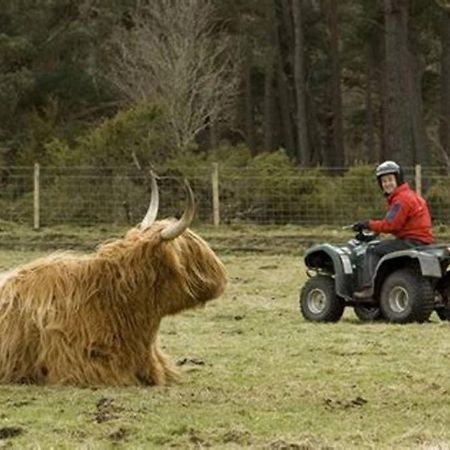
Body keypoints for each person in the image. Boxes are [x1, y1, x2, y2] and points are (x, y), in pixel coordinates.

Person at [352, 160, 433, 298]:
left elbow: (391, 225)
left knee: (372, 250)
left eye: (390, 179)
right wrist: (373, 234)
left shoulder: (401, 200)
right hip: (421, 240)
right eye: (383, 181)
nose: (387, 184)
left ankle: (369, 288)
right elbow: (397, 224)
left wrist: (367, 224)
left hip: (411, 241)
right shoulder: (410, 195)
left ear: (398, 179)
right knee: (384, 245)